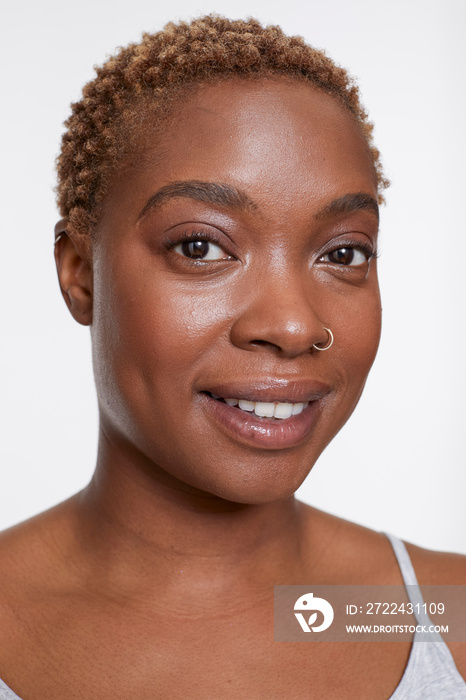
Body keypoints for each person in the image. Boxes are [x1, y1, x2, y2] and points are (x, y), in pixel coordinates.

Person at [0, 15, 464, 699]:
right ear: (80, 273)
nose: (293, 324)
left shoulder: (441, 616)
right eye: (200, 247)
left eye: (344, 254)